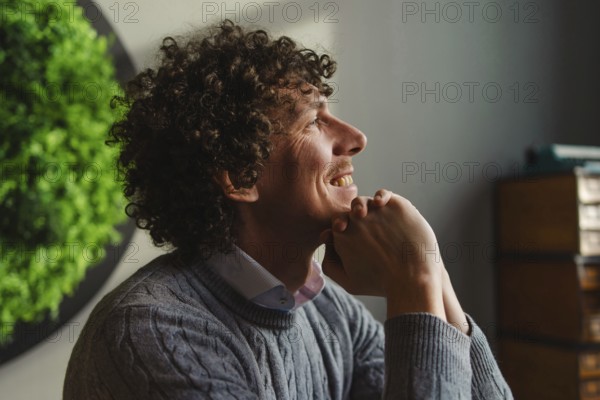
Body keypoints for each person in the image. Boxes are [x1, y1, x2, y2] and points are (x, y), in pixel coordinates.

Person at [64, 20, 512, 399]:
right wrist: (412, 283)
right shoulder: (153, 335)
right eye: (314, 121)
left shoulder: (330, 313)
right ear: (241, 176)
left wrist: (432, 275)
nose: (356, 137)